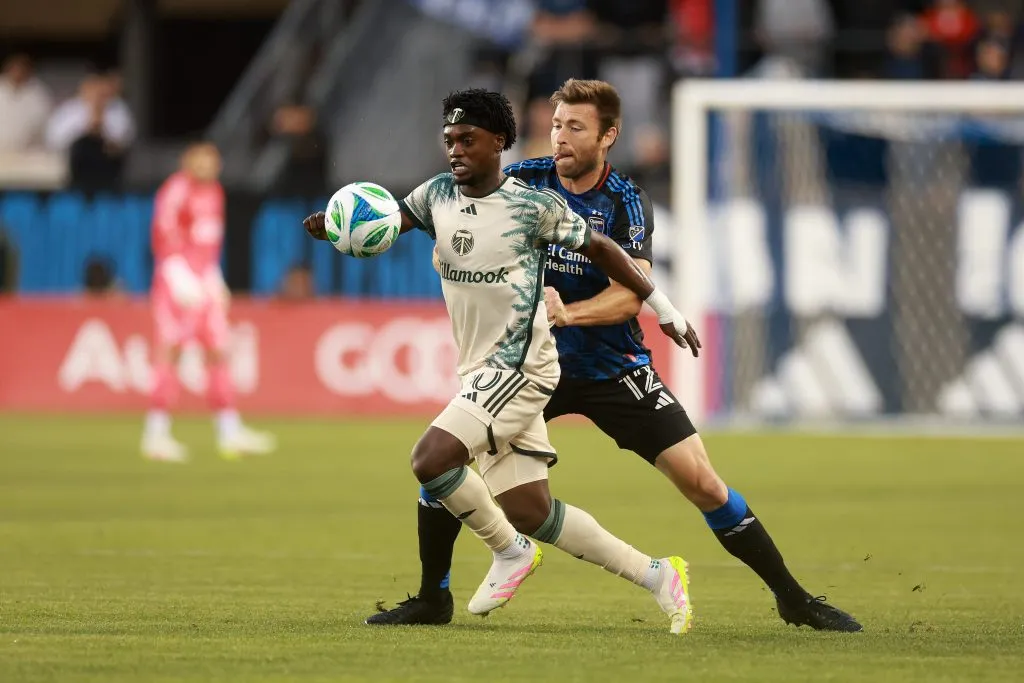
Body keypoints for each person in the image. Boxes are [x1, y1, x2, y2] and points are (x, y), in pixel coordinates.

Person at [365, 79, 862, 632]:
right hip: (532, 366)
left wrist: (571, 313)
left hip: (609, 366)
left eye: (575, 127)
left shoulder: (624, 201)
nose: (560, 138)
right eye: (555, 125)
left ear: (608, 135)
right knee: (446, 463)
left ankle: (793, 597)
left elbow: (633, 290)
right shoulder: (522, 181)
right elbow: (458, 219)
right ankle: (434, 595)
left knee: (702, 483)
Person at [303, 89, 701, 633]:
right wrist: (335, 225)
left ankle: (506, 553)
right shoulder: (436, 194)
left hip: (522, 370)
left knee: (430, 459)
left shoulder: (531, 207)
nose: (456, 150)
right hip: (479, 369)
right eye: (449, 141)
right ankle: (658, 574)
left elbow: (607, 250)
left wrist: (665, 308)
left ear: (500, 143)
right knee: (533, 510)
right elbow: (389, 221)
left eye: (468, 140)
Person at [142, 142, 276, 463]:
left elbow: (209, 243)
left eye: (213, 160)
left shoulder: (215, 192)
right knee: (171, 351)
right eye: (202, 160)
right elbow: (164, 236)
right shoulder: (175, 191)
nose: (209, 166)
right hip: (177, 284)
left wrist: (214, 278)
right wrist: (178, 277)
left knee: (218, 352)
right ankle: (156, 434)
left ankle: (229, 432)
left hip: (203, 282)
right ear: (187, 161)